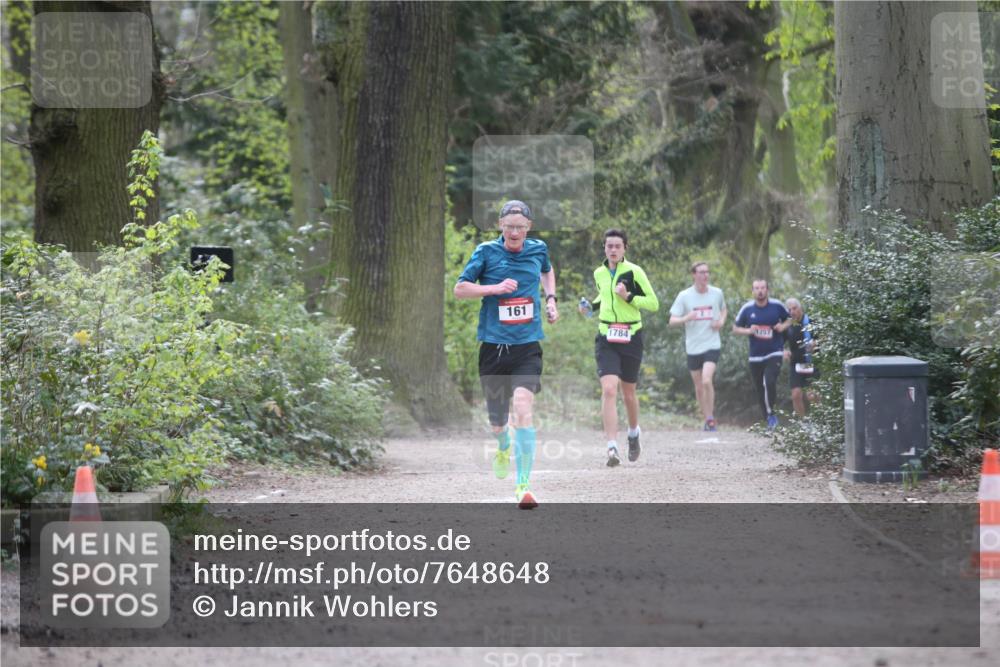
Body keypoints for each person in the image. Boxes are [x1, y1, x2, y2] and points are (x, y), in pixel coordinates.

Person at [454, 200, 558, 509]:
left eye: (520, 227)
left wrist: (551, 300)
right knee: (498, 422)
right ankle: (502, 445)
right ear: (501, 226)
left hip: (527, 346)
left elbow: (548, 272)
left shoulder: (538, 249)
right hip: (494, 348)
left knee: (524, 408)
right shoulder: (486, 252)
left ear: (529, 227)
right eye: (509, 226)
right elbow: (460, 289)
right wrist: (494, 289)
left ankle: (523, 485)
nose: (514, 232)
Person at [580, 229, 659, 467]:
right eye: (609, 246)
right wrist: (589, 308)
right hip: (606, 335)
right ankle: (612, 448)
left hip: (631, 335)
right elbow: (604, 297)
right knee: (609, 389)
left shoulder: (635, 272)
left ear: (625, 248)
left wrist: (629, 297)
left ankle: (633, 433)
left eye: (617, 246)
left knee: (628, 393)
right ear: (604, 248)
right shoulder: (599, 273)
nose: (613, 250)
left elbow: (653, 304)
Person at [668, 262, 727, 431]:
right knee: (699, 386)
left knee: (706, 380)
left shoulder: (717, 293)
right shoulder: (684, 296)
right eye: (701, 272)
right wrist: (687, 317)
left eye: (707, 272)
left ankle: (710, 418)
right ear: (693, 274)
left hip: (712, 344)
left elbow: (724, 310)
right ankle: (707, 418)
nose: (705, 275)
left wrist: (721, 321)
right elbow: (672, 321)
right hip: (693, 346)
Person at [732, 279, 791, 430]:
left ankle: (772, 415)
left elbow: (790, 319)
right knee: (760, 388)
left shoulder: (777, 306)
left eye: (762, 288)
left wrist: (782, 326)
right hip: (755, 356)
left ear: (767, 290)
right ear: (752, 291)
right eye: (757, 288)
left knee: (769, 382)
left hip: (774, 352)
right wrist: (748, 330)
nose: (760, 291)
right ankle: (767, 418)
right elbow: (735, 328)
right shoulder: (747, 309)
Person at [784, 298, 819, 417]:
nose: (792, 312)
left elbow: (824, 336)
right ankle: (803, 424)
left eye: (794, 308)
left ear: (800, 308)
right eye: (789, 310)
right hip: (796, 364)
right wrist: (784, 351)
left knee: (812, 396)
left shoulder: (810, 322)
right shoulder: (789, 325)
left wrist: (816, 342)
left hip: (812, 362)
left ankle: (819, 421)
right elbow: (779, 342)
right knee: (796, 395)